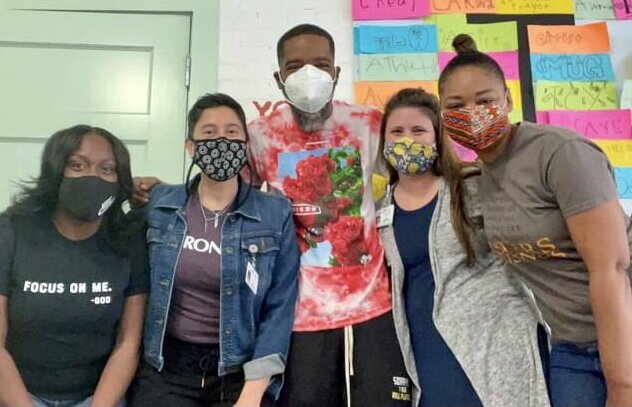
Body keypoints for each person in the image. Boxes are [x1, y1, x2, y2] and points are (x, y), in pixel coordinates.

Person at [133, 24, 410, 407]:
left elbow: (415, 174)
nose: (308, 75)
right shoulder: (260, 135)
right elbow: (221, 192)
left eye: (320, 64)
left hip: (372, 304)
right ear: (279, 78)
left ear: (336, 73)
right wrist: (165, 191)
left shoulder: (367, 123)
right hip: (298, 312)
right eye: (294, 67)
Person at [439, 34, 632, 407]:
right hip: (570, 348)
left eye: (485, 100)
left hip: (623, 339)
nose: (473, 113)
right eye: (456, 105)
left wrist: (622, 386)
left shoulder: (559, 153)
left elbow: (612, 267)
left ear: (508, 100)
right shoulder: (482, 177)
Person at [376, 87, 550, 407]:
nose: (407, 140)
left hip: (497, 341)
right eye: (396, 131)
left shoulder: (472, 187)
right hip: (428, 350)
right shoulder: (379, 211)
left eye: (419, 130)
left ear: (437, 136)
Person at [127, 93, 300, 407]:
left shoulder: (275, 214)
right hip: (166, 367)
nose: (222, 140)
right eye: (209, 132)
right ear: (191, 146)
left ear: (246, 143)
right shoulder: (160, 204)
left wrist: (252, 394)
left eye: (232, 132)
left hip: (240, 371)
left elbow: (280, 308)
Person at [0, 125, 148, 407]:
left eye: (107, 169)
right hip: (17, 393)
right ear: (56, 171)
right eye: (78, 166)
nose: (93, 177)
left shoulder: (129, 238)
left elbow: (128, 344)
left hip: (98, 397)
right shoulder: (11, 231)